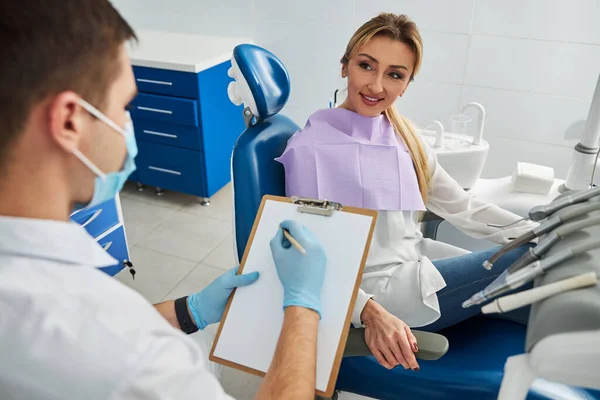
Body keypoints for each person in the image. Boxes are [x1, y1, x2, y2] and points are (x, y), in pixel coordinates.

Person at [0, 2, 327, 399]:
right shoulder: (133, 357)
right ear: (70, 121)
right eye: (123, 107)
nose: (126, 125)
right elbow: (111, 343)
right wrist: (303, 308)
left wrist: (190, 310)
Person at [276, 13, 537, 372]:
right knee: (523, 261)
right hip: (378, 295)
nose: (376, 86)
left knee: (545, 291)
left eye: (394, 74)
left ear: (406, 84)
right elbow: (307, 254)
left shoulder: (404, 137)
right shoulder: (311, 150)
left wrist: (539, 231)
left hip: (416, 266)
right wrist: (368, 312)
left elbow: (464, 209)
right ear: (344, 67)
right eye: (366, 66)